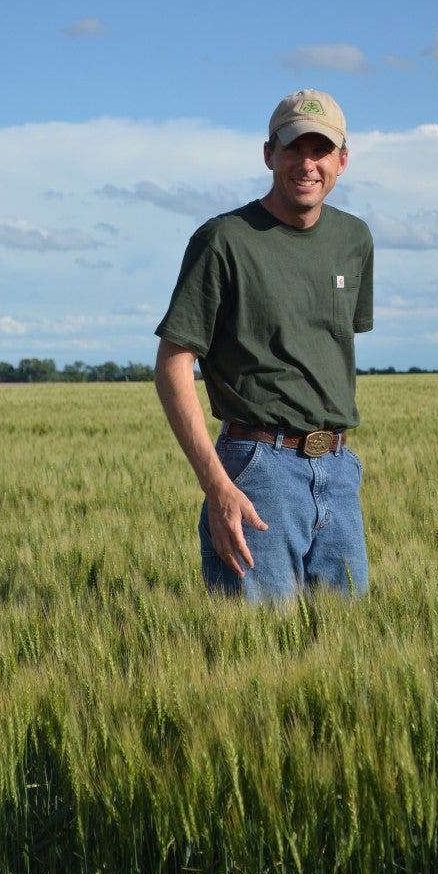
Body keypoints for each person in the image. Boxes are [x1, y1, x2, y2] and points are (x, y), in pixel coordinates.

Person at [154, 89, 374, 602]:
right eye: (294, 147)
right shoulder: (224, 239)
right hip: (258, 470)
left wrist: (338, 469)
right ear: (269, 153)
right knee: (260, 655)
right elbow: (173, 362)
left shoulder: (354, 239)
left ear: (342, 160)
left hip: (338, 469)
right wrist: (217, 485)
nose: (307, 164)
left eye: (321, 150)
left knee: (350, 654)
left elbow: (328, 350)